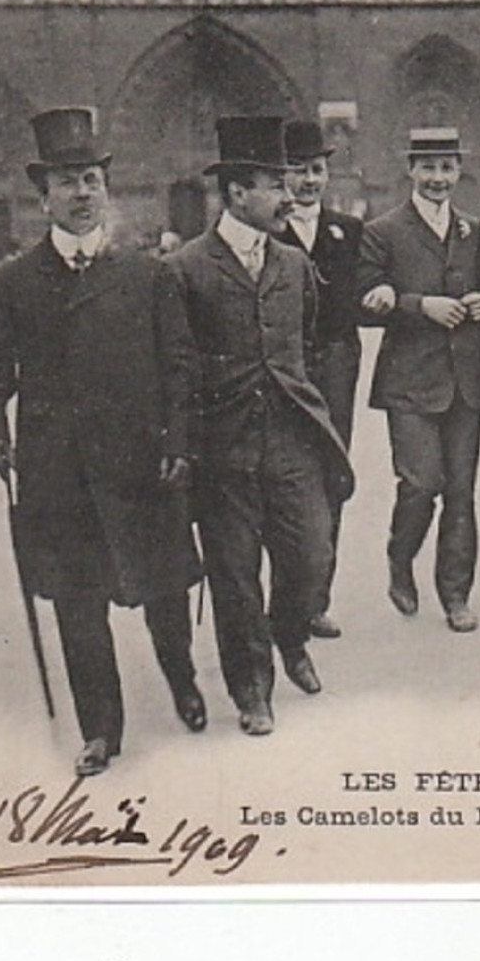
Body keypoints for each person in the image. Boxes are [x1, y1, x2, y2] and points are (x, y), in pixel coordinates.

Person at [0, 107, 206, 776]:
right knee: (77, 602)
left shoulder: (147, 276)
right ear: (44, 195)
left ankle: (181, 678)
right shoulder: (10, 282)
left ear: (106, 188)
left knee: (165, 589)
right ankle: (101, 728)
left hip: (141, 460)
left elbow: (179, 365)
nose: (81, 192)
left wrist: (179, 441)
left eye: (91, 178)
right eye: (67, 181)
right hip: (58, 471)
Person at [166, 116, 354, 735]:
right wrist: (185, 449)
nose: (289, 194)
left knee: (310, 556)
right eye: (274, 184)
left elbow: (302, 345)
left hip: (293, 441)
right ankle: (252, 689)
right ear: (237, 194)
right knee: (234, 575)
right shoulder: (187, 268)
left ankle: (291, 634)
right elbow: (178, 365)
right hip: (224, 450)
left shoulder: (296, 266)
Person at [356, 127, 480, 633]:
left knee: (461, 491)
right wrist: (419, 306)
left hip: (466, 380)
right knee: (420, 483)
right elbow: (367, 298)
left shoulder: (475, 231)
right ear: (410, 170)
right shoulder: (382, 231)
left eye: (447, 168)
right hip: (409, 382)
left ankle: (455, 595)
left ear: (459, 170)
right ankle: (401, 558)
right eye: (428, 168)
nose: (438, 179)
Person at [276, 120, 367, 639]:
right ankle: (285, 594)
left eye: (316, 170)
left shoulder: (347, 232)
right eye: (296, 171)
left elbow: (365, 293)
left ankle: (315, 599)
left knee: (331, 473)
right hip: (285, 367)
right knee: (286, 478)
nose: (308, 182)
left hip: (335, 366)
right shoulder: (267, 231)